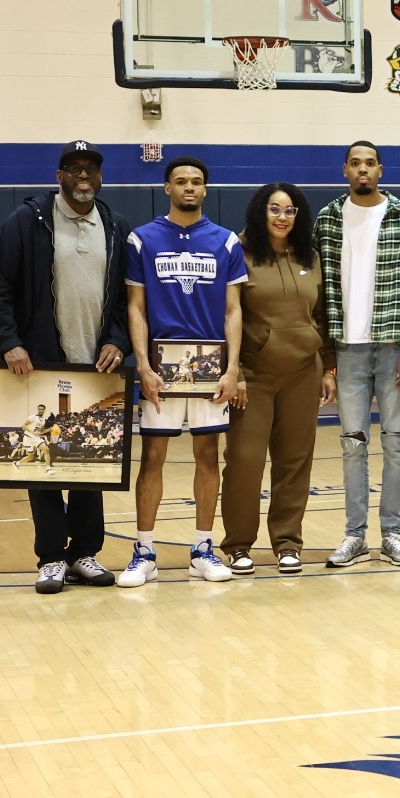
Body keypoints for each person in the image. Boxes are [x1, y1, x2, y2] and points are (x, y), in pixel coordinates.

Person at [0, 140, 132, 593]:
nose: (83, 175)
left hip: (96, 366)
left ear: (101, 177)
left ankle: (84, 553)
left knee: (90, 461)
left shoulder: (115, 225)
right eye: (74, 168)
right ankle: (50, 557)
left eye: (91, 168)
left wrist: (118, 341)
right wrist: (9, 342)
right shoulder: (28, 220)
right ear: (59, 176)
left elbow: (126, 299)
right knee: (41, 461)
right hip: (40, 364)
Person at [119, 156, 247, 586]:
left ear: (205, 189)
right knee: (152, 456)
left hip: (211, 368)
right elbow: (136, 307)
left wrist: (232, 369)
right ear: (167, 188)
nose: (189, 187)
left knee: (208, 455)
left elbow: (233, 310)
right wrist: (142, 365)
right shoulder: (142, 239)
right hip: (161, 368)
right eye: (180, 181)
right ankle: (144, 551)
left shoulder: (226, 241)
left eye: (196, 181)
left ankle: (202, 550)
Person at [317, 141, 400, 569]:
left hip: (393, 346)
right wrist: (326, 358)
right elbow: (319, 292)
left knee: (397, 442)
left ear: (380, 169)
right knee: (352, 445)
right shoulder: (327, 218)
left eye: (370, 163)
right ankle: (354, 536)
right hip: (346, 349)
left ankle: (392, 534)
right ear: (344, 169)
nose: (362, 169)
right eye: (355, 163)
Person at [219, 183, 335, 576]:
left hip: (303, 373)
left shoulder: (310, 256)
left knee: (294, 462)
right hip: (252, 376)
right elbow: (227, 313)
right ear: (260, 211)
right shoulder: (239, 251)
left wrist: (328, 367)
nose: (282, 217)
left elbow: (322, 315)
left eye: (289, 210)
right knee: (244, 462)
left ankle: (288, 543)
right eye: (274, 209)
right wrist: (233, 371)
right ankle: (238, 545)